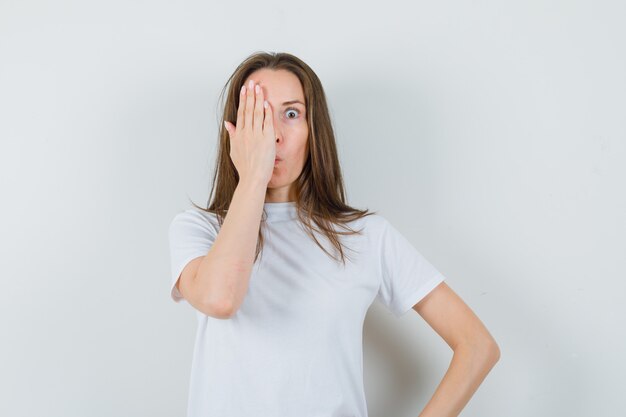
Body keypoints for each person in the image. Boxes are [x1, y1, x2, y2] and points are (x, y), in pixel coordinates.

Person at [168, 51, 500, 417]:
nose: (272, 136)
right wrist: (253, 177)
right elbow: (220, 300)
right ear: (235, 132)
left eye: (291, 114)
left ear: (314, 130)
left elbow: (477, 346)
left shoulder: (367, 236)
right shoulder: (198, 229)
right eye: (258, 116)